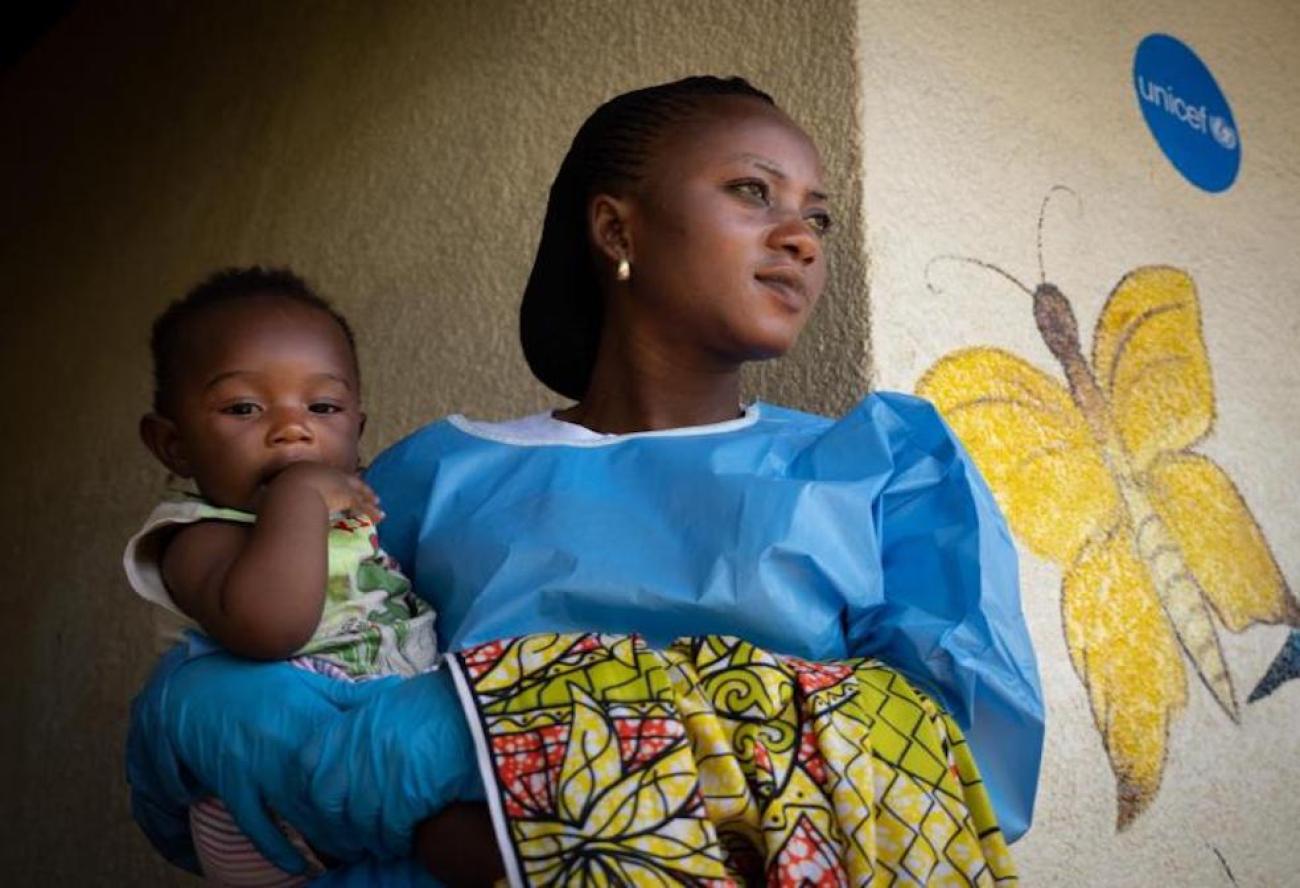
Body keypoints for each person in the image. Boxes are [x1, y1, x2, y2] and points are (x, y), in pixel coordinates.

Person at [127, 77, 1043, 885]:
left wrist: (520, 728)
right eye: (752, 192)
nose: (799, 238)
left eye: (817, 215)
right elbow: (312, 681)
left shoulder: (886, 468)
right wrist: (201, 706)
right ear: (616, 227)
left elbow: (954, 770)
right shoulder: (431, 474)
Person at [125, 267, 484, 884]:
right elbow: (271, 627)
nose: (292, 428)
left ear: (358, 431)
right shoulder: (199, 535)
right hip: (272, 802)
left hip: (367, 755)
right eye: (243, 407)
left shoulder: (358, 518)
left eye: (323, 407)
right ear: (174, 446)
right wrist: (299, 493)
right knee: (480, 847)